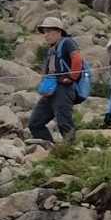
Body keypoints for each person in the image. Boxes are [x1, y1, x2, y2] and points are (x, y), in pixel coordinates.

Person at [27, 15, 83, 144]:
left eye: (48, 31)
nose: (45, 35)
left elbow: (77, 59)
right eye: (44, 32)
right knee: (35, 123)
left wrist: (72, 77)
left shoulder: (67, 42)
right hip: (51, 90)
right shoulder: (51, 48)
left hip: (64, 88)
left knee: (64, 122)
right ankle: (49, 147)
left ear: (59, 31)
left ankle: (71, 151)